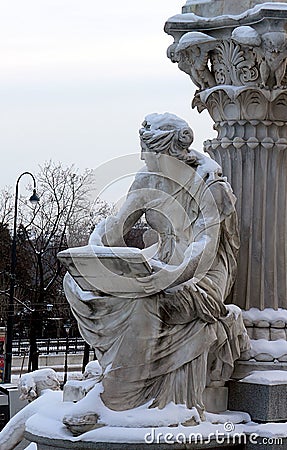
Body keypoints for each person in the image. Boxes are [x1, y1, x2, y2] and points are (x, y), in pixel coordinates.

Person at [64, 112, 249, 424]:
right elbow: (116, 227)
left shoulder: (210, 185)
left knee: (147, 301)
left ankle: (116, 398)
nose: (143, 158)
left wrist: (170, 275)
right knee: (80, 284)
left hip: (201, 277)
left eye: (150, 152)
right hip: (161, 263)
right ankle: (116, 376)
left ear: (172, 152)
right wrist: (93, 251)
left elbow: (204, 245)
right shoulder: (148, 178)